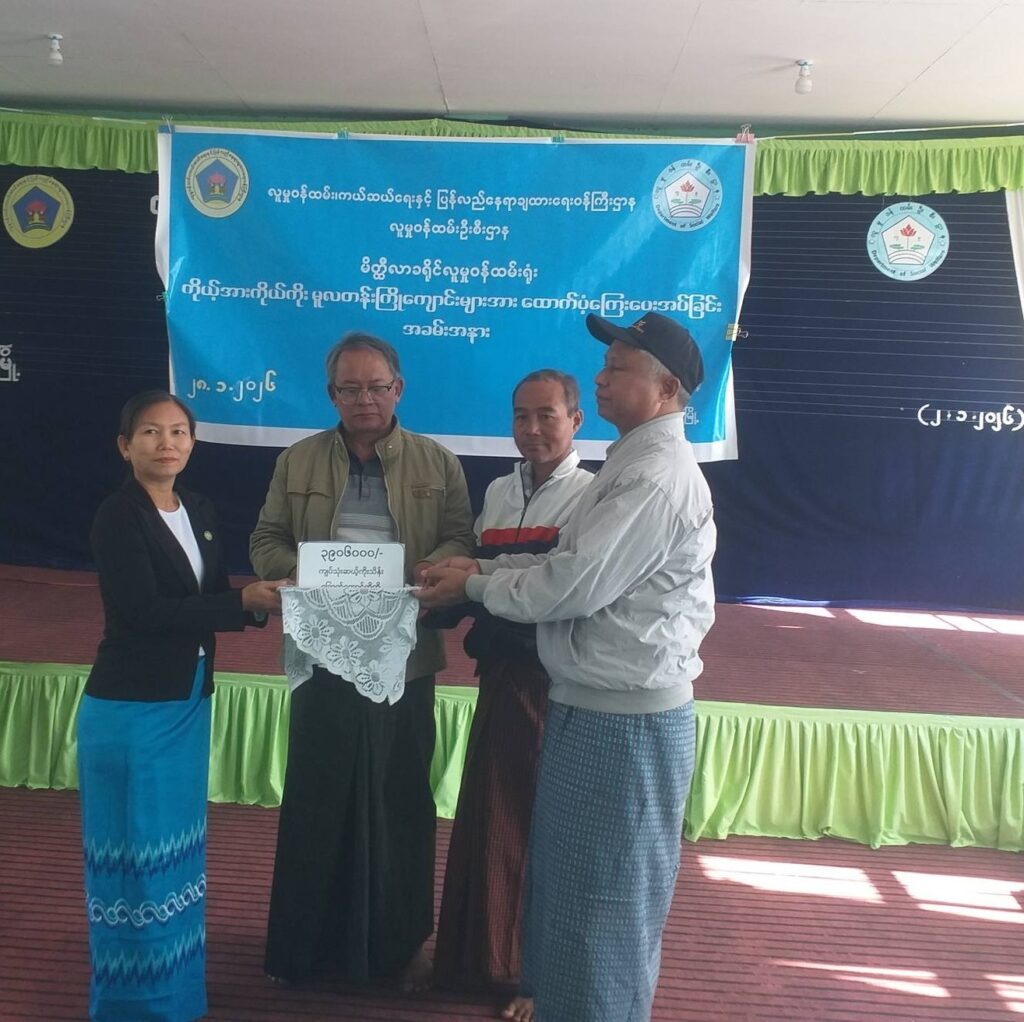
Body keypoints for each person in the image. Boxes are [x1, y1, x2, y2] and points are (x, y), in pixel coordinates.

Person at [416, 312, 717, 1022]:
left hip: (627, 722)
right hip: (592, 704)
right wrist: (483, 565)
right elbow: (564, 564)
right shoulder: (633, 461)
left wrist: (476, 584)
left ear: (668, 387)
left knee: (604, 909)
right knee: (569, 892)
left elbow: (572, 586)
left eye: (617, 368)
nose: (604, 378)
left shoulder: (654, 476)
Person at [249, 331, 475, 990]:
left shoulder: (439, 463)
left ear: (398, 390)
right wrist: (309, 576)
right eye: (350, 388)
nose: (365, 399)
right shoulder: (297, 461)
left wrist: (426, 573)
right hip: (323, 650)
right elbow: (265, 537)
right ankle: (305, 947)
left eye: (377, 386)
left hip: (404, 652)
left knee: (400, 799)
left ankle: (399, 948)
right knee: (319, 798)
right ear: (331, 395)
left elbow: (462, 537)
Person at [77, 390, 287, 1022]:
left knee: (176, 857)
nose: (167, 442)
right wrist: (242, 602)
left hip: (187, 703)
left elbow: (208, 593)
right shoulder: (117, 516)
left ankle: (177, 996)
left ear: (193, 443)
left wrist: (263, 598)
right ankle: (131, 1005)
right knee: (136, 863)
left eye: (178, 431)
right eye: (150, 432)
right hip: (133, 710)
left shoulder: (197, 507)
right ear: (125, 446)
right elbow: (142, 614)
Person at [430, 370, 592, 999]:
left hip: (551, 681)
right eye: (520, 416)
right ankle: (474, 959)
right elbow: (480, 583)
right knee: (486, 818)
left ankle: (531, 976)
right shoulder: (498, 491)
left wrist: (476, 580)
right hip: (497, 674)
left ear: (576, 421)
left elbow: (563, 592)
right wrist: (424, 592)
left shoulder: (593, 497)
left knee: (536, 825)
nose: (531, 429)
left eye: (546, 415)